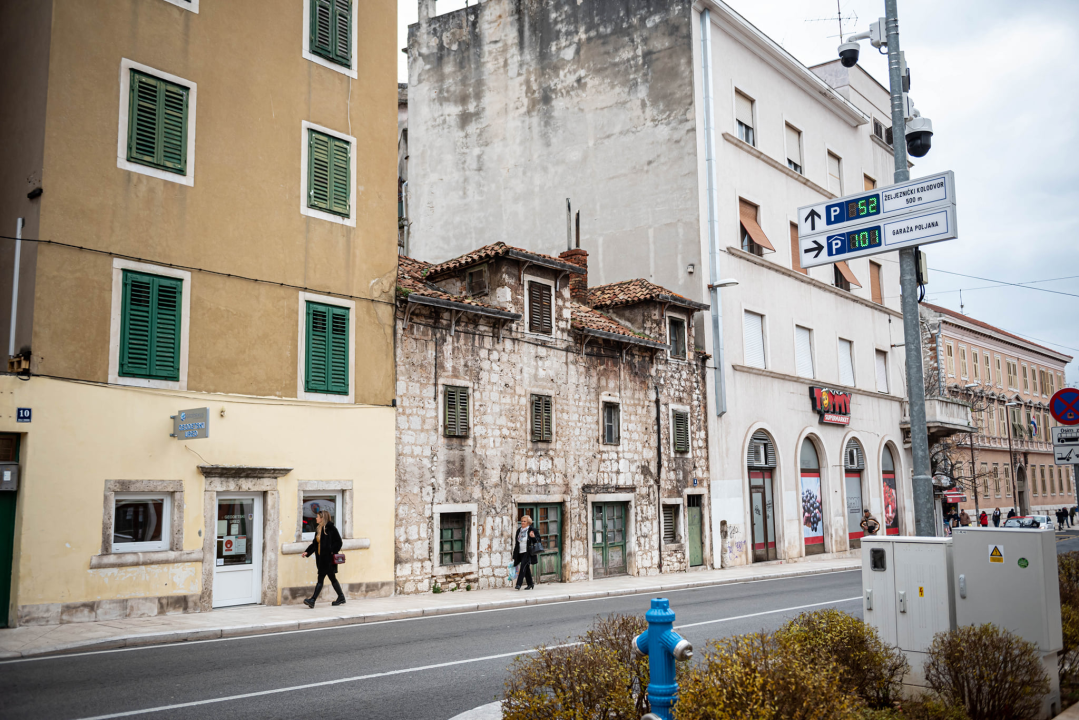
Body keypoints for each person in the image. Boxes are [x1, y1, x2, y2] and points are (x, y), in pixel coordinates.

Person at [301, 510, 345, 608]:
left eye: (317, 517)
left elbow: (339, 542)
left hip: (328, 560)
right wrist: (307, 552)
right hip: (321, 559)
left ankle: (312, 600)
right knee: (332, 578)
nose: (316, 518)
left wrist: (331, 551)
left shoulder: (331, 528)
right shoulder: (319, 529)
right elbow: (314, 544)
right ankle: (341, 597)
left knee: (320, 578)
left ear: (322, 518)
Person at [512, 515, 542, 590]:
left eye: (524, 521)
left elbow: (538, 540)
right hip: (520, 552)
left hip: (528, 552)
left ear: (528, 523)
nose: (522, 522)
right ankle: (530, 583)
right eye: (522, 521)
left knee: (523, 566)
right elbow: (517, 543)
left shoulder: (532, 530)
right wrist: (515, 555)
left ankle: (518, 584)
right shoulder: (519, 530)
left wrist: (533, 537)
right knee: (526, 568)